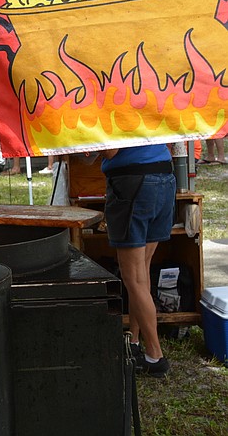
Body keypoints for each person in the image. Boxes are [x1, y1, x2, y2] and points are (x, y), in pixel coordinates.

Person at [100, 143, 175, 378]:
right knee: (141, 271)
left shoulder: (107, 106)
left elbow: (110, 150)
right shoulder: (146, 103)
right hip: (164, 176)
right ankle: (133, 340)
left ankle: (155, 356)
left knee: (133, 277)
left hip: (132, 182)